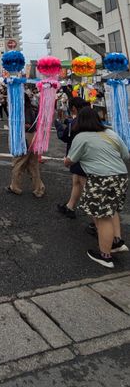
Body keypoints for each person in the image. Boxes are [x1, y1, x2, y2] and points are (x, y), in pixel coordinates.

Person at [65, 107, 129, 269]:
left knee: (102, 217)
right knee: (111, 210)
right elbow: (126, 155)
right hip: (121, 176)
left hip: (101, 178)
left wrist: (67, 160)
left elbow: (70, 160)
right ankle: (116, 242)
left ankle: (105, 256)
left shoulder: (82, 137)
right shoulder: (110, 133)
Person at [55, 98, 90, 219]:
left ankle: (99, 223)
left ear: (74, 108)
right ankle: (70, 206)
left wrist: (59, 126)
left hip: (79, 157)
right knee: (76, 182)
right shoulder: (92, 120)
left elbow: (65, 137)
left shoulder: (76, 122)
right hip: (85, 156)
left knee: (88, 189)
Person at [7, 94, 45, 198]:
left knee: (18, 162)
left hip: (25, 137)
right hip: (34, 137)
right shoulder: (33, 107)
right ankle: (39, 189)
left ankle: (15, 187)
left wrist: (15, 125)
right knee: (33, 164)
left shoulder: (23, 109)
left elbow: (27, 124)